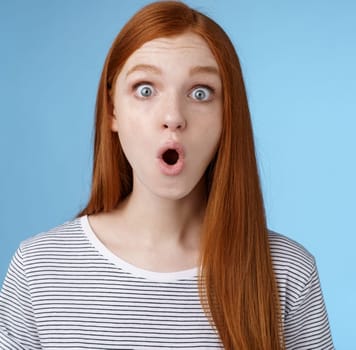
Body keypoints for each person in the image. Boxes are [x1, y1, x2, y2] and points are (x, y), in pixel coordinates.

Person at [0, 1, 334, 349]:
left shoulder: (287, 272)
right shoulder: (39, 269)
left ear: (227, 118)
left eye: (200, 93)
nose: (173, 116)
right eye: (145, 89)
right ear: (113, 110)